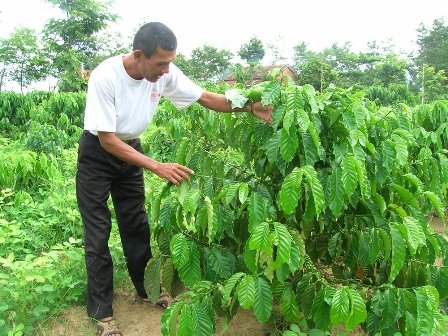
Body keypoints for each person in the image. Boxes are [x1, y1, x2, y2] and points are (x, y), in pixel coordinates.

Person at [76, 21, 273, 336]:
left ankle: (147, 290)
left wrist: (250, 107)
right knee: (98, 233)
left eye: (170, 61)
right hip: (98, 155)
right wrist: (156, 166)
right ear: (139, 55)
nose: (167, 70)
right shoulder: (106, 76)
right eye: (161, 63)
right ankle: (102, 314)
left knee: (136, 223)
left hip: (131, 151)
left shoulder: (164, 73)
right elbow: (107, 140)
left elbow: (208, 98)